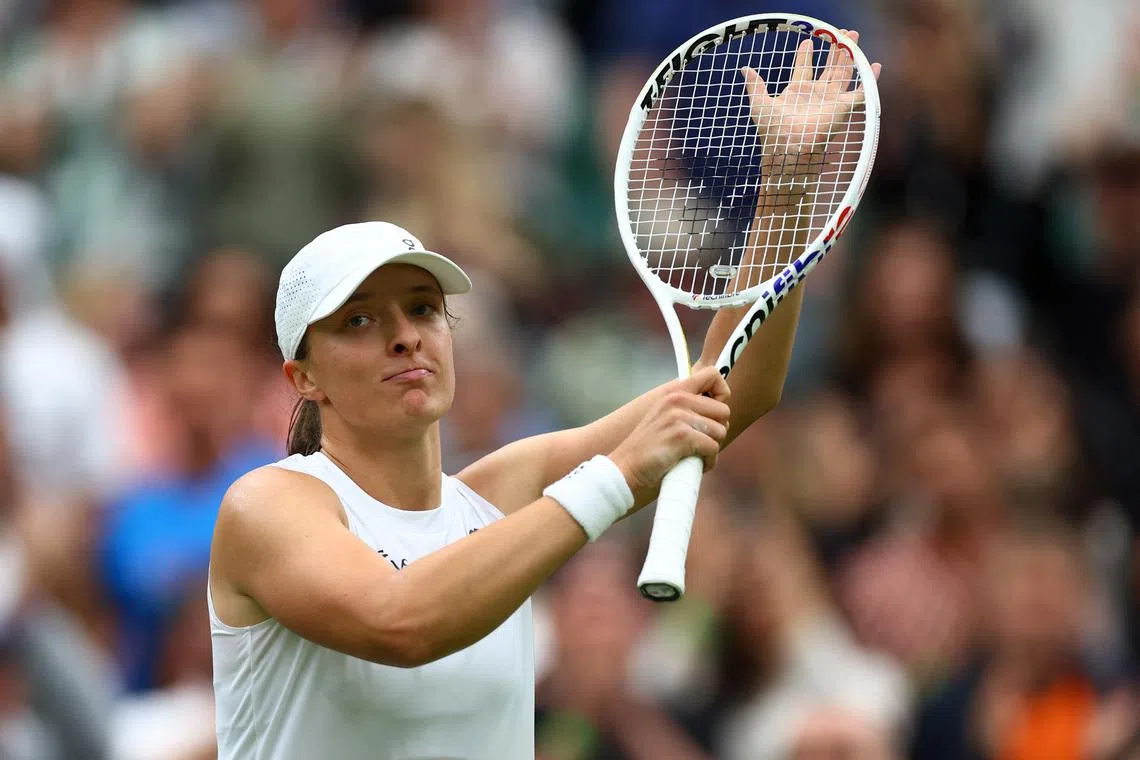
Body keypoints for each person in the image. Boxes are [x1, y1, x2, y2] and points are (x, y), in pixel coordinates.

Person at [208, 35, 880, 759]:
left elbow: (734, 388)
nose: (406, 338)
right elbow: (400, 621)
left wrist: (785, 191)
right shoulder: (268, 507)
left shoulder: (504, 491)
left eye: (424, 309)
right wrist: (616, 477)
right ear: (301, 377)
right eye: (361, 321)